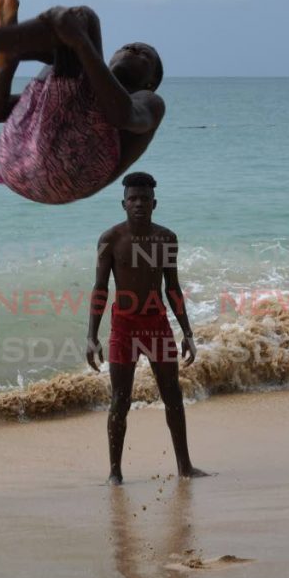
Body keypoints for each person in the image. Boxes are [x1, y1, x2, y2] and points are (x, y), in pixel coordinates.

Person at [0, 0, 166, 205]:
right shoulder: (70, 93)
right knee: (67, 41)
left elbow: (123, 116)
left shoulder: (150, 100)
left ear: (150, 82)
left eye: (144, 55)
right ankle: (3, 47)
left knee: (85, 19)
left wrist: (81, 42)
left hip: (76, 175)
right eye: (127, 46)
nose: (133, 48)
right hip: (15, 165)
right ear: (110, 58)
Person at [86, 172, 209, 485]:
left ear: (154, 203)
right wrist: (91, 336)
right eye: (133, 199)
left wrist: (188, 333)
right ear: (123, 203)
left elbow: (173, 288)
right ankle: (115, 471)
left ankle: (184, 466)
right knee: (120, 400)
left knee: (173, 396)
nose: (138, 204)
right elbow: (100, 288)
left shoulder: (166, 238)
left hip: (157, 324)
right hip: (123, 327)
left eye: (144, 199)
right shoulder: (110, 239)